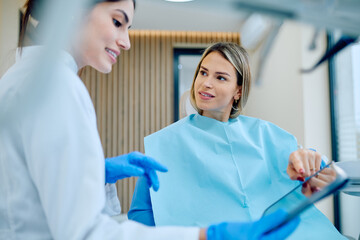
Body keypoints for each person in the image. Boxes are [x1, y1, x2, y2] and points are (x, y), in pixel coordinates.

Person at [0, 1, 301, 239]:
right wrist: (206, 235)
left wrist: (93, 172)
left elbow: (32, 188)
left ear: (238, 91)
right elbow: (87, 233)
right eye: (118, 22)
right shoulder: (56, 86)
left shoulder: (33, 78)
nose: (127, 42)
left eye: (220, 77)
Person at [128, 42, 346, 239]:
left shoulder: (264, 134)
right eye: (203, 73)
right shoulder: (166, 144)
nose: (205, 83)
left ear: (238, 91)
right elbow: (141, 215)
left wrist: (311, 161)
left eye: (220, 77)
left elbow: (320, 169)